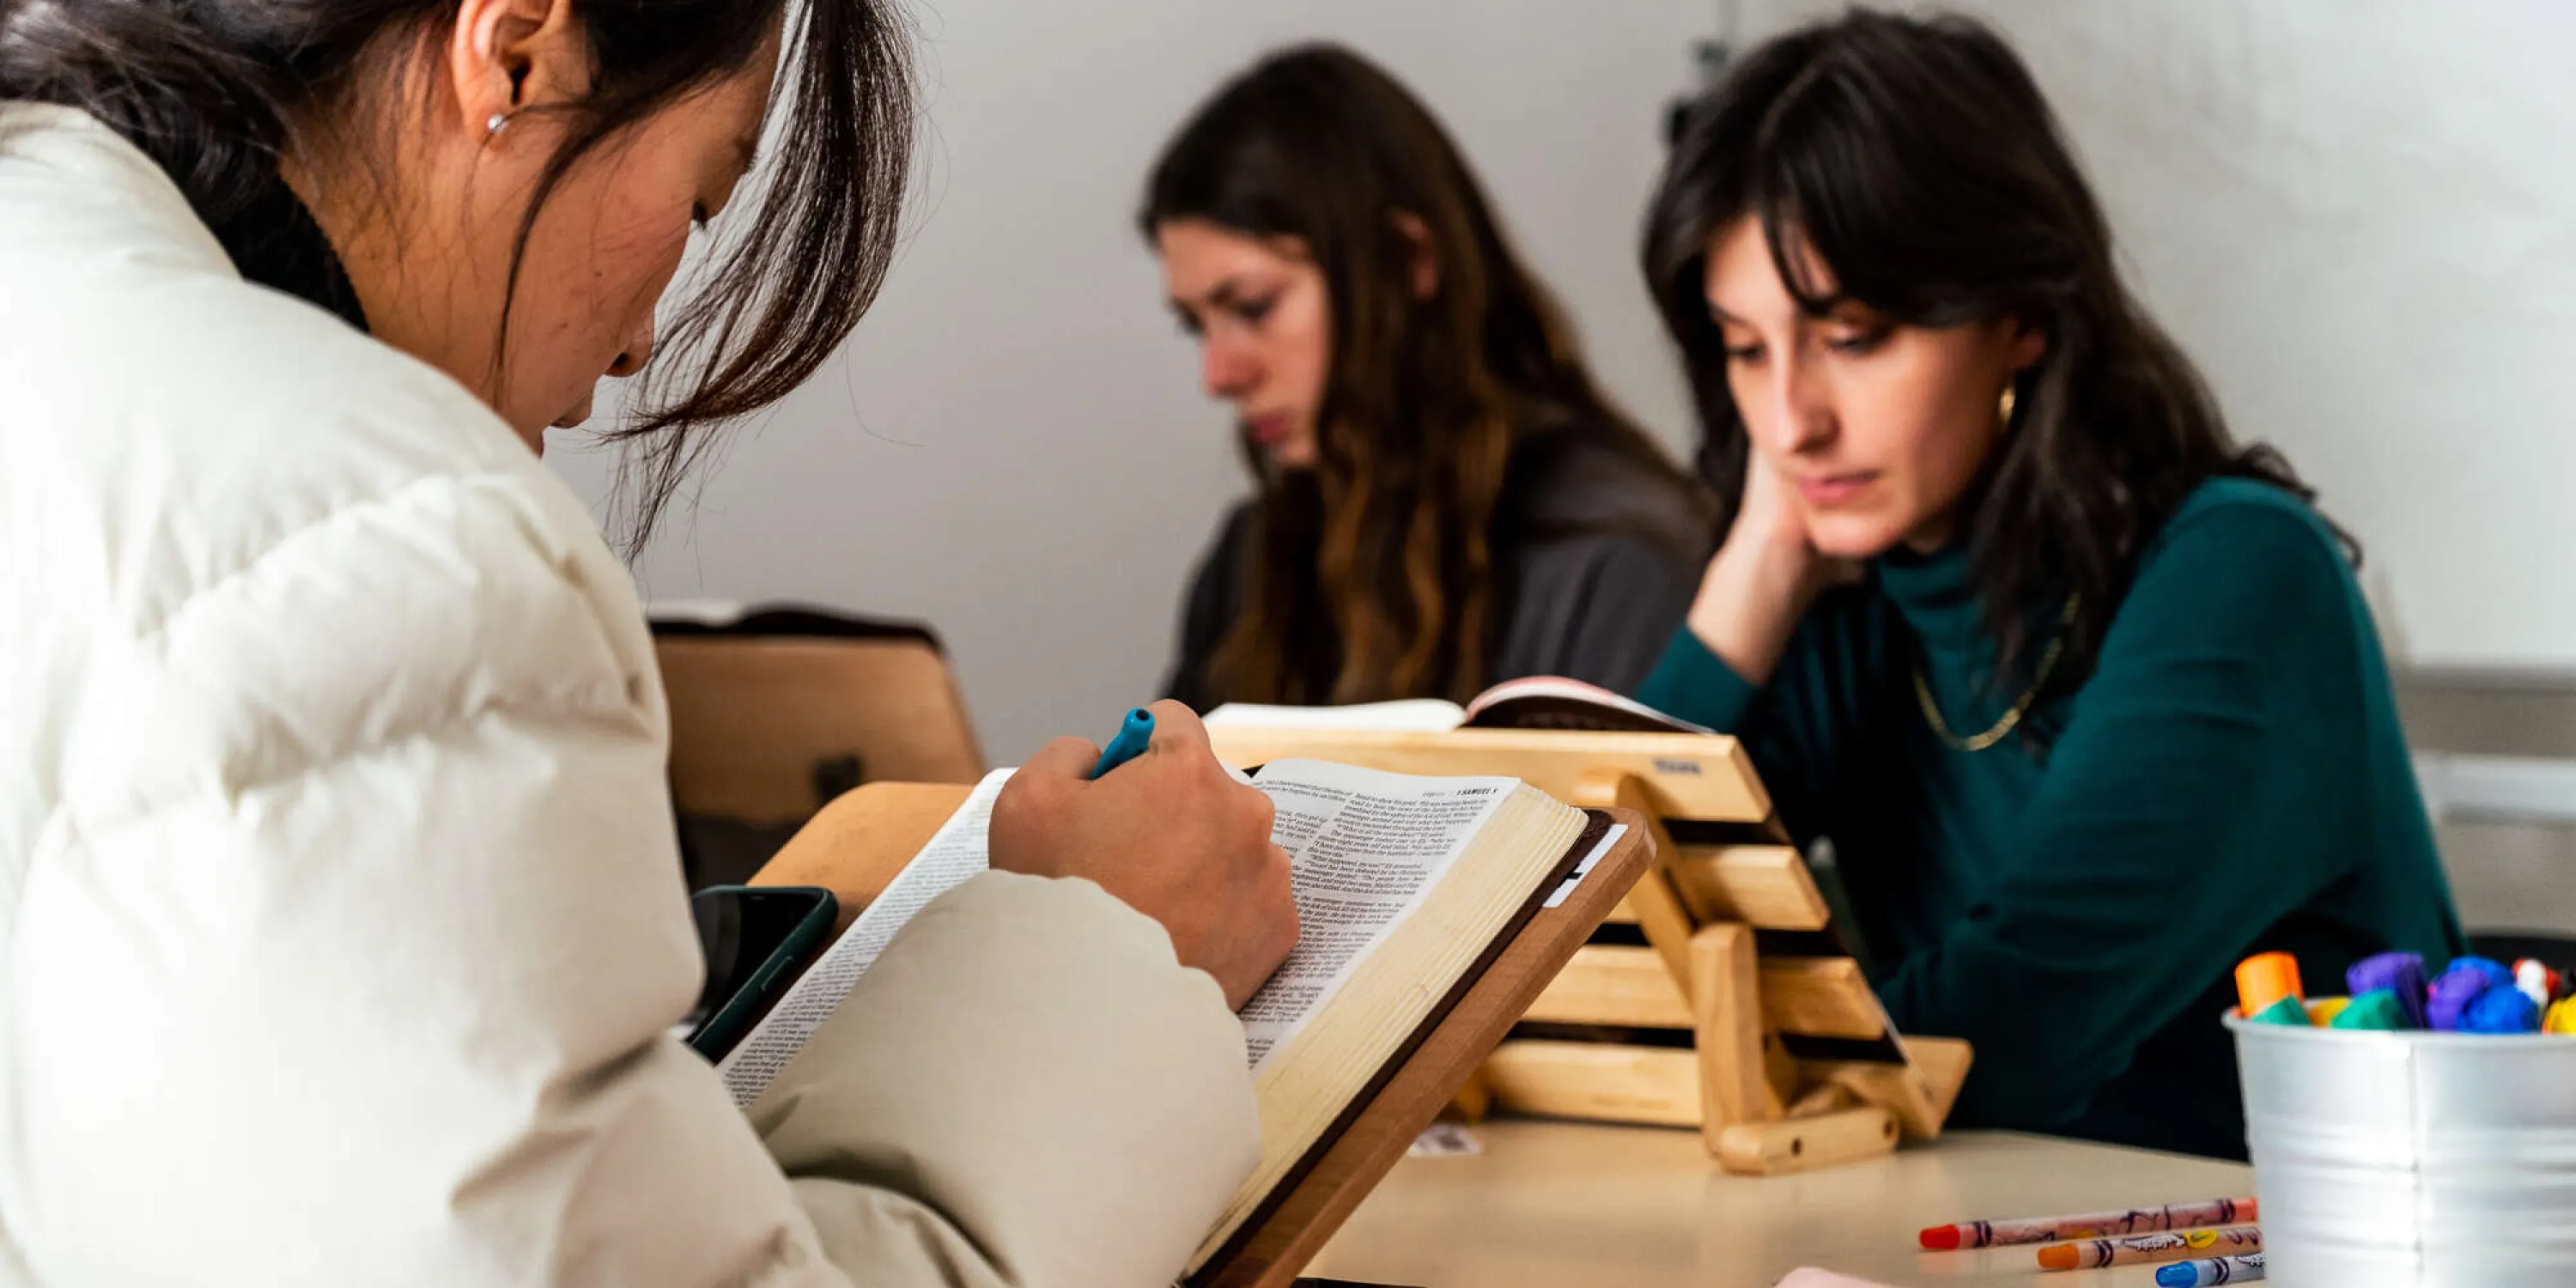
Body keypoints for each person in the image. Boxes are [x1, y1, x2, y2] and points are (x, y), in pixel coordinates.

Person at [0, 0, 1297, 1283]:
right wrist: (1112, 950)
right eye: (701, 202)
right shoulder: (390, 550)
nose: (635, 348)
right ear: (516, 51)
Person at [1630, 9, 2463, 1160]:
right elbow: (1585, 961)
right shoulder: (1859, 586)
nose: (1789, 423)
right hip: (1976, 1239)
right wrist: (1749, 582)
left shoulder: (2238, 577)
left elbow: (1998, 1041)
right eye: (1745, 347)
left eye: (1854, 336)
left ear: (2018, 315)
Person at [1143, 44, 1711, 713]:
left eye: (1253, 308)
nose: (1220, 375)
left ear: (1407, 261)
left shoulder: (1614, 557)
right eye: (1196, 325)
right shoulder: (1253, 559)